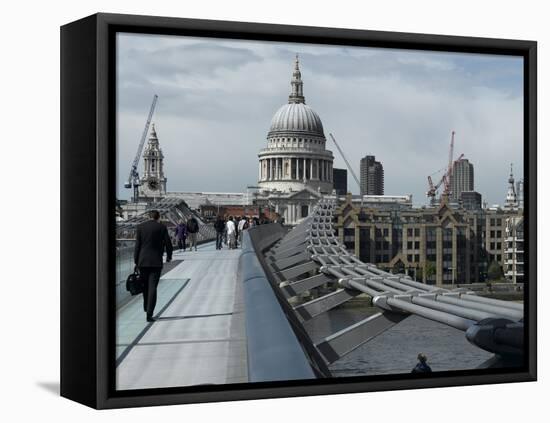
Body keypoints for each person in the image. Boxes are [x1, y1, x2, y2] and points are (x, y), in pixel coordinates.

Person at [134, 210, 173, 322]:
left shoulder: (140, 227)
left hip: (143, 262)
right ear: (158, 217)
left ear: (148, 216)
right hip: (156, 262)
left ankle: (146, 306)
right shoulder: (162, 228)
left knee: (145, 286)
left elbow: (137, 246)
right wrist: (169, 257)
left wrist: (136, 261)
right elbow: (168, 244)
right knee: (152, 287)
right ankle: (149, 313)